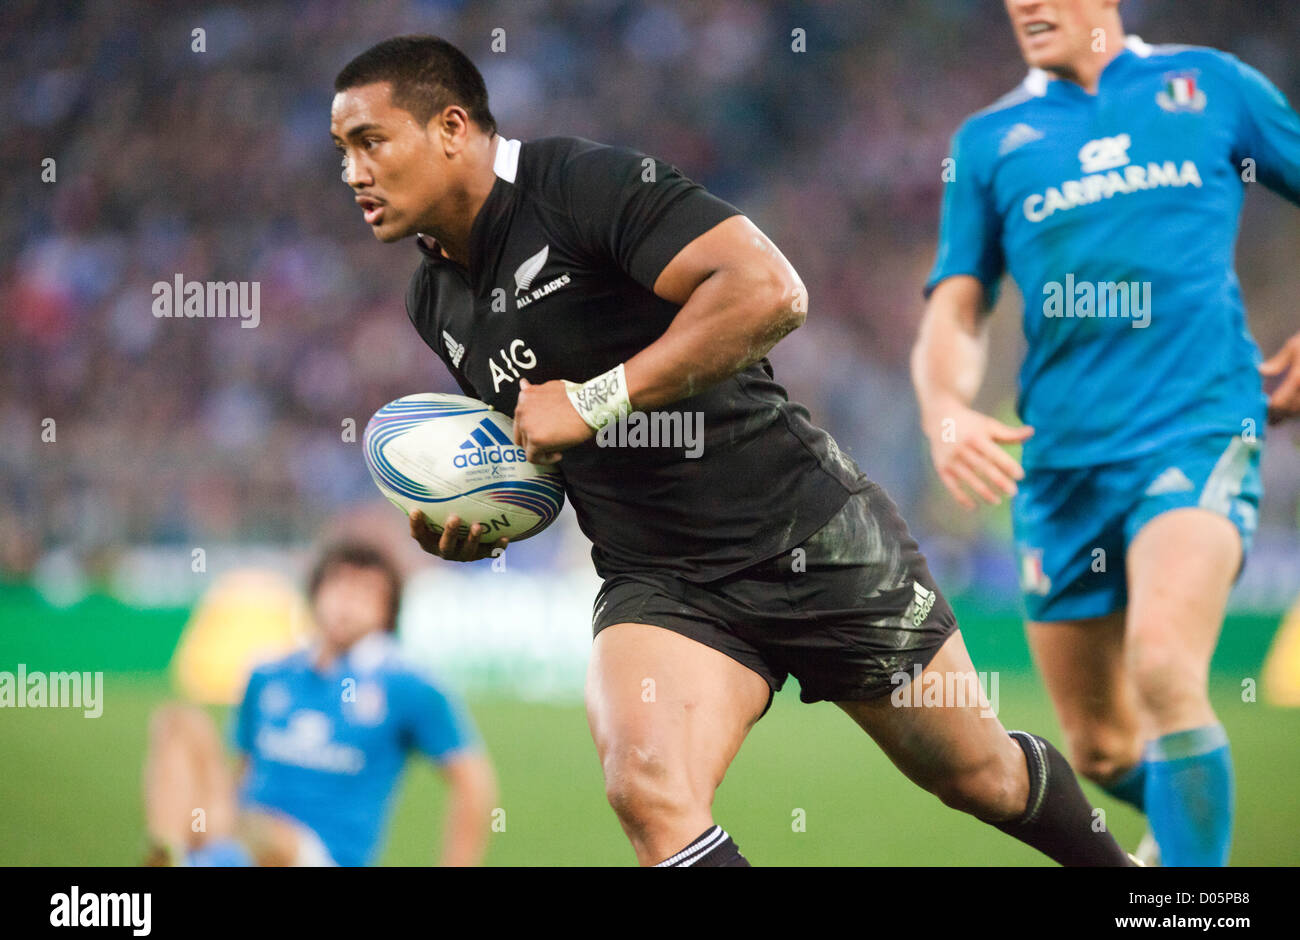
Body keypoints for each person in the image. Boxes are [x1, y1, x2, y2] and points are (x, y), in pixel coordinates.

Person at [332, 34, 1134, 866]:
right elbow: (545, 444)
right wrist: (482, 515)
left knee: (982, 777)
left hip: (807, 532)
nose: (352, 172)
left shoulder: (580, 186)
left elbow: (769, 293)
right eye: (341, 151)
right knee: (647, 789)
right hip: (661, 579)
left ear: (453, 128)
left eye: (370, 142)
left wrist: (598, 397)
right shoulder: (434, 300)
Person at [913, 0, 1300, 865]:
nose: (1026, 5)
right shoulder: (990, 141)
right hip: (1060, 466)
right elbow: (958, 304)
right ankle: (1188, 836)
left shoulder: (1210, 86)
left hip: (1198, 425)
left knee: (1165, 669)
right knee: (1101, 748)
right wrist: (946, 408)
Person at [143, 540, 496, 866]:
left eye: (367, 591)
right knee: (177, 723)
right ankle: (172, 849)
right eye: (340, 585)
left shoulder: (406, 685)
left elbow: (473, 781)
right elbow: (244, 771)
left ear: (388, 611)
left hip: (320, 854)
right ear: (316, 592)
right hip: (247, 837)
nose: (348, 601)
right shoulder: (269, 674)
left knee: (265, 833)